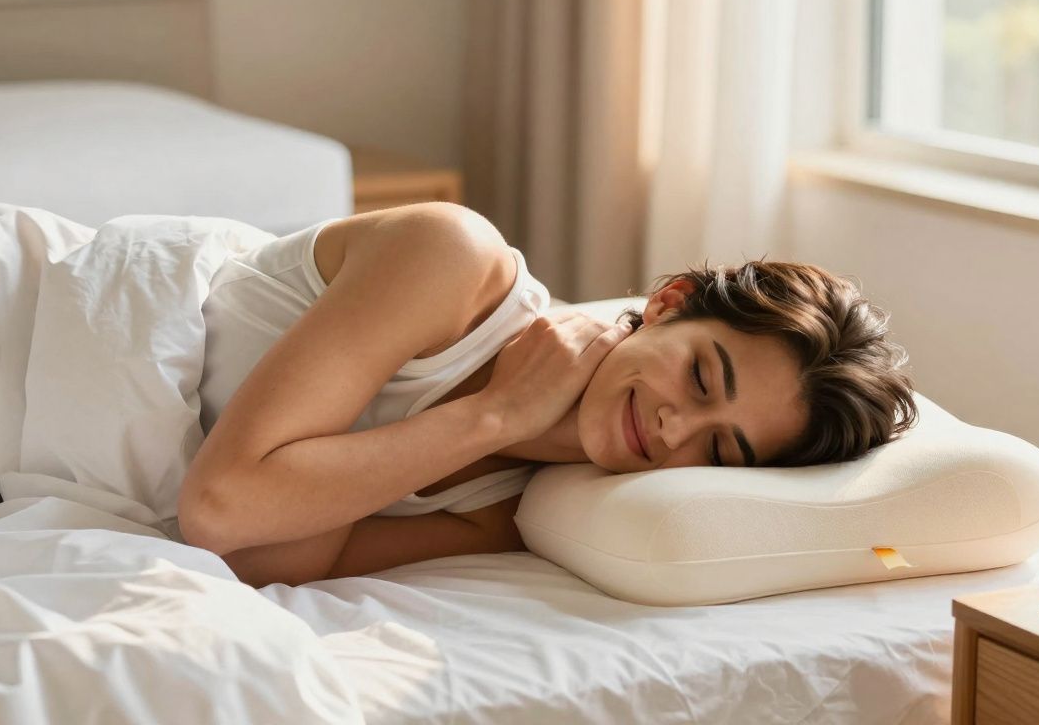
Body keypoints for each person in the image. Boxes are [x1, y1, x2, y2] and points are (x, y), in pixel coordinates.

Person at [177, 202, 918, 586]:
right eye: (699, 376)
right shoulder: (453, 258)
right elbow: (222, 507)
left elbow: (253, 562)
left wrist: (498, 423)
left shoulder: (505, 514)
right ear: (669, 302)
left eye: (720, 449)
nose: (675, 429)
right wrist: (496, 411)